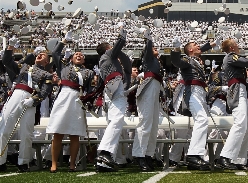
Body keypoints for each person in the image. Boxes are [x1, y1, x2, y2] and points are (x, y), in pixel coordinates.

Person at [0, 39, 57, 172]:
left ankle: (23, 161)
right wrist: (11, 46)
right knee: (4, 128)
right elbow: (6, 62)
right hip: (17, 94)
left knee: (27, 133)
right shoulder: (24, 67)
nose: (40, 55)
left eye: (43, 55)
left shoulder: (47, 75)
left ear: (46, 62)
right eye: (39, 53)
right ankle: (1, 160)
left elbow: (45, 91)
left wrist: (34, 100)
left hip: (31, 100)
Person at [46, 31, 95, 172]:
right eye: (76, 55)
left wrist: (88, 101)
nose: (78, 56)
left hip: (78, 99)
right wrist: (63, 42)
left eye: (81, 55)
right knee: (58, 132)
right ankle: (54, 163)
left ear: (84, 60)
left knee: (75, 134)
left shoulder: (89, 72)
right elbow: (55, 54)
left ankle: (72, 163)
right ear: (71, 59)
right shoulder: (64, 67)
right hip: (64, 96)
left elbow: (90, 88)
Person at [170, 37, 216, 170]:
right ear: (190, 49)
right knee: (199, 120)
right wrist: (176, 49)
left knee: (200, 123)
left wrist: (211, 44)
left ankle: (196, 156)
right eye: (195, 45)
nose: (198, 46)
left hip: (200, 92)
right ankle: (193, 155)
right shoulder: (187, 59)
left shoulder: (195, 59)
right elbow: (176, 61)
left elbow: (200, 50)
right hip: (191, 92)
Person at [95, 23, 131, 172]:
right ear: (109, 48)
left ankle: (104, 163)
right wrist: (122, 31)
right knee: (117, 120)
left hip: (110, 89)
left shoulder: (103, 59)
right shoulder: (109, 54)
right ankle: (104, 153)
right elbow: (121, 42)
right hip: (115, 87)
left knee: (112, 122)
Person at [216, 39, 248, 170]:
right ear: (232, 47)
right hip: (237, 90)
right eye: (236, 45)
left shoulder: (231, 57)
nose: (239, 47)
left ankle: (239, 159)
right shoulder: (230, 57)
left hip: (240, 88)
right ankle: (225, 157)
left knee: (244, 126)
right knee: (240, 123)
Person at [132, 28, 164, 171]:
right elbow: (148, 46)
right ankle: (139, 155)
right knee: (145, 122)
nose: (155, 49)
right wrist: (148, 35)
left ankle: (148, 154)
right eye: (154, 48)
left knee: (154, 124)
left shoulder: (156, 61)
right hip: (148, 87)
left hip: (156, 88)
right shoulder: (148, 58)